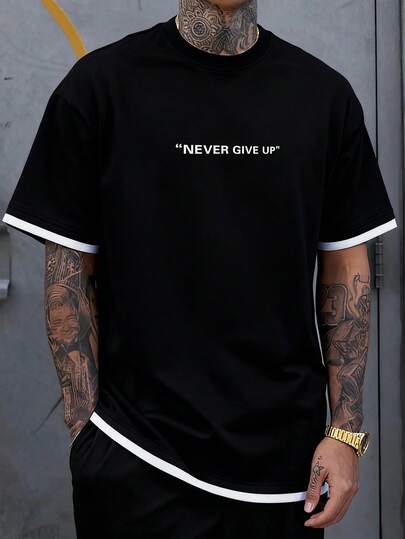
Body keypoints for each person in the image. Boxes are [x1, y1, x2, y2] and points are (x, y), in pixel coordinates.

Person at [2, 0, 397, 537]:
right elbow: (69, 278)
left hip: (284, 472)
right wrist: (88, 439)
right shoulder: (100, 87)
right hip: (137, 460)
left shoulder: (323, 97)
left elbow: (346, 272)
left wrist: (346, 432)